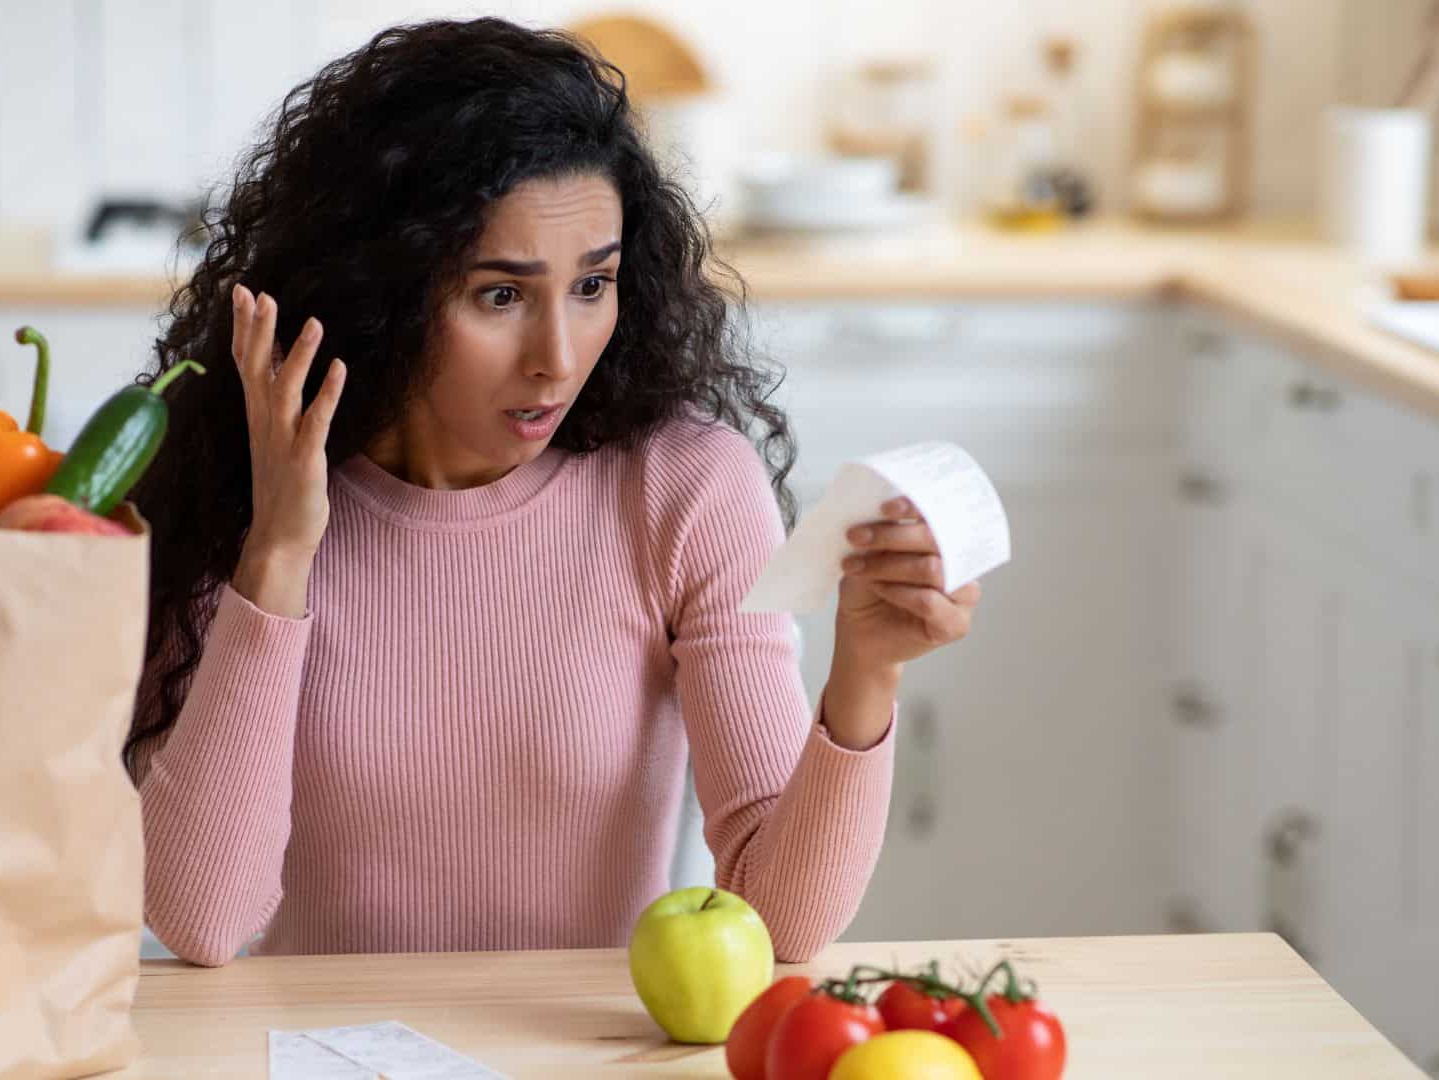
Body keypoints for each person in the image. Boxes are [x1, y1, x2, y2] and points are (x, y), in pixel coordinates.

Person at [125, 17, 981, 968]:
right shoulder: (253, 478)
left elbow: (778, 922)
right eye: (500, 295)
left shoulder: (683, 488)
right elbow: (202, 920)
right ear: (385, 290)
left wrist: (866, 672)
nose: (559, 359)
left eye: (592, 285)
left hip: (586, 1054)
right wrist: (277, 552)